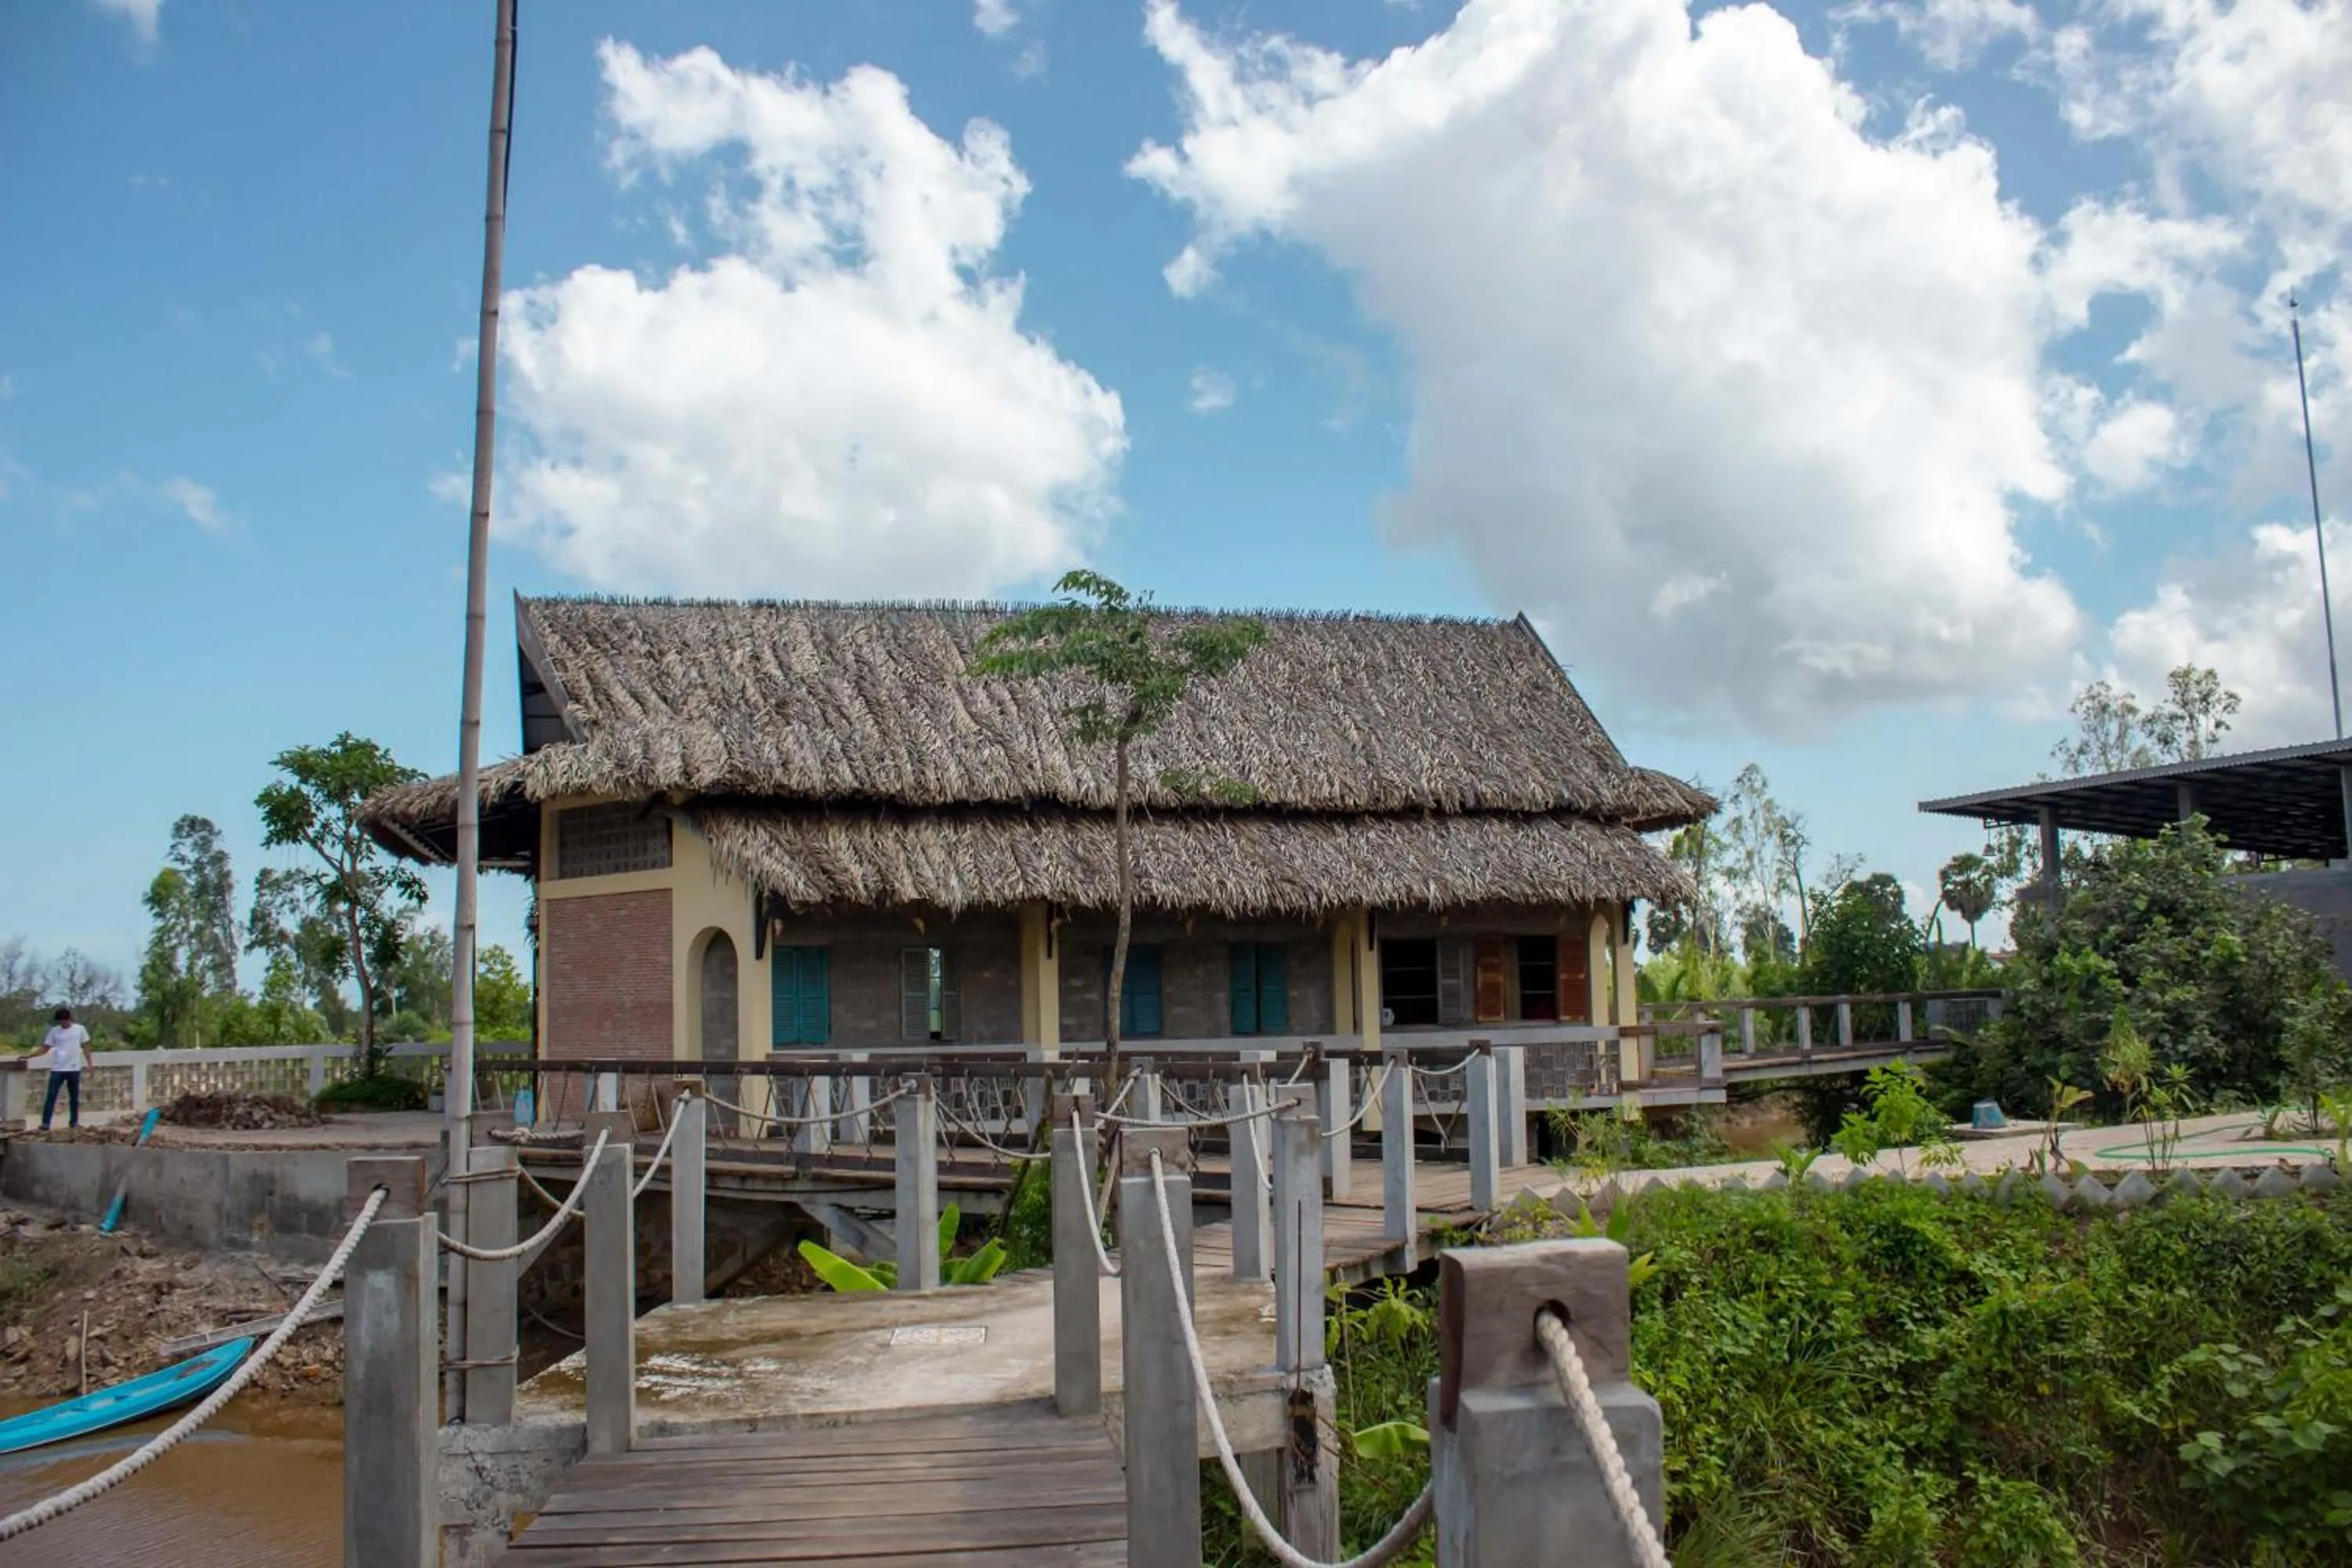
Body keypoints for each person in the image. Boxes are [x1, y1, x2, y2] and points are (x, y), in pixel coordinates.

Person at [34, 1007, 89, 1131]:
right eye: (60, 1022)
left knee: (74, 1098)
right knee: (51, 1096)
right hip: (58, 1068)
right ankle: (46, 1123)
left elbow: (86, 1047)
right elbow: (46, 1048)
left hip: (74, 1068)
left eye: (64, 1021)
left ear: (69, 1019)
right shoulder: (54, 1031)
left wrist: (90, 1065)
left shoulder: (80, 1029)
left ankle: (74, 1122)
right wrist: (30, 1056)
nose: (62, 1024)